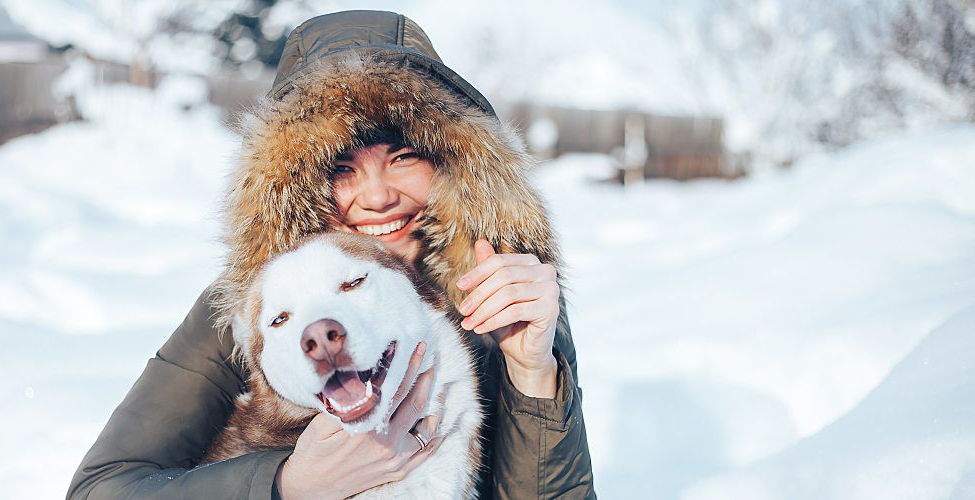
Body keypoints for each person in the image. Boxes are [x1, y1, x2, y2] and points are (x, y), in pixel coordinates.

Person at [67, 10, 596, 499]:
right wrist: (286, 484)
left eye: (404, 157)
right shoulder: (251, 307)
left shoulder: (504, 291)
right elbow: (103, 487)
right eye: (341, 169)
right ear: (295, 188)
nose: (377, 196)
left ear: (454, 165)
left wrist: (534, 375)